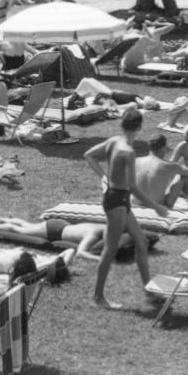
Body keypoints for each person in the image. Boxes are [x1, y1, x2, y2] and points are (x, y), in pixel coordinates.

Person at [82, 108, 157, 309]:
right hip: (117, 201)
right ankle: (98, 297)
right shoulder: (128, 151)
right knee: (110, 249)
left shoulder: (114, 141)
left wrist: (104, 176)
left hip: (118, 199)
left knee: (141, 241)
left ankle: (149, 292)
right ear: (139, 127)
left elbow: (89, 156)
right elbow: (132, 186)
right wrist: (156, 207)